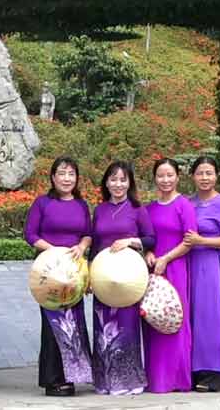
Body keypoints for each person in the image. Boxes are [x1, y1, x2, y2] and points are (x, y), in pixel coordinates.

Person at [24, 156, 94, 396]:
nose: (67, 178)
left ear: (77, 178)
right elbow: (30, 234)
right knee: (53, 326)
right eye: (62, 173)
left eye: (71, 174)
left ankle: (72, 377)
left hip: (73, 273)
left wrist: (82, 247)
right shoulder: (42, 203)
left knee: (74, 324)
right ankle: (52, 380)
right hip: (49, 272)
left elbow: (88, 234)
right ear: (53, 178)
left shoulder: (82, 205)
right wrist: (53, 250)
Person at [90, 160, 156, 396]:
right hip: (103, 278)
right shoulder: (99, 210)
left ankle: (128, 380)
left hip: (128, 279)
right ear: (106, 182)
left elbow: (151, 239)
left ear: (130, 183)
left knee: (126, 329)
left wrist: (130, 241)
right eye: (113, 179)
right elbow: (94, 245)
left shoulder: (137, 209)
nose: (118, 184)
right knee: (102, 328)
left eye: (123, 179)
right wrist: (89, 275)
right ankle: (104, 381)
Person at [183, 155, 220, 392]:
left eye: (209, 173)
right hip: (189, 264)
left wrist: (200, 240)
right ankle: (193, 371)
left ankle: (213, 375)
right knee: (191, 318)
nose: (205, 178)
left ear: (217, 176)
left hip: (211, 266)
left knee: (210, 318)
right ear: (192, 176)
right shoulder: (188, 203)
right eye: (200, 173)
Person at [143, 157, 196, 393]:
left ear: (178, 177)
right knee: (152, 319)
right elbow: (146, 239)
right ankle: (155, 379)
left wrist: (166, 258)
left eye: (170, 175)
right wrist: (149, 254)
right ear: (155, 178)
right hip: (153, 272)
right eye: (161, 176)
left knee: (174, 319)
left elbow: (189, 241)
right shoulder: (148, 209)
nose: (165, 180)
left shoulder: (184, 205)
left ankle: (177, 379)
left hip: (175, 269)